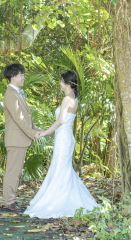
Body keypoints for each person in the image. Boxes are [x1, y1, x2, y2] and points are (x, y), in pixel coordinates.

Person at [24, 70, 100, 219]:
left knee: (60, 169)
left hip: (63, 137)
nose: (59, 83)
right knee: (62, 169)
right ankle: (65, 198)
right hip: (66, 137)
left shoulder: (67, 99)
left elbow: (60, 121)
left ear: (67, 83)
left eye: (60, 81)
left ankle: (58, 201)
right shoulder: (74, 99)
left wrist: (45, 132)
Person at [2, 62, 42, 212]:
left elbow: (26, 119)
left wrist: (39, 131)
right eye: (21, 75)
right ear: (13, 76)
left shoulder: (16, 93)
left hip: (20, 140)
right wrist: (33, 133)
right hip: (16, 140)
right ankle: (8, 202)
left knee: (15, 172)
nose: (23, 78)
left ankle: (10, 200)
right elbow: (19, 120)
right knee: (13, 172)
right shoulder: (11, 95)